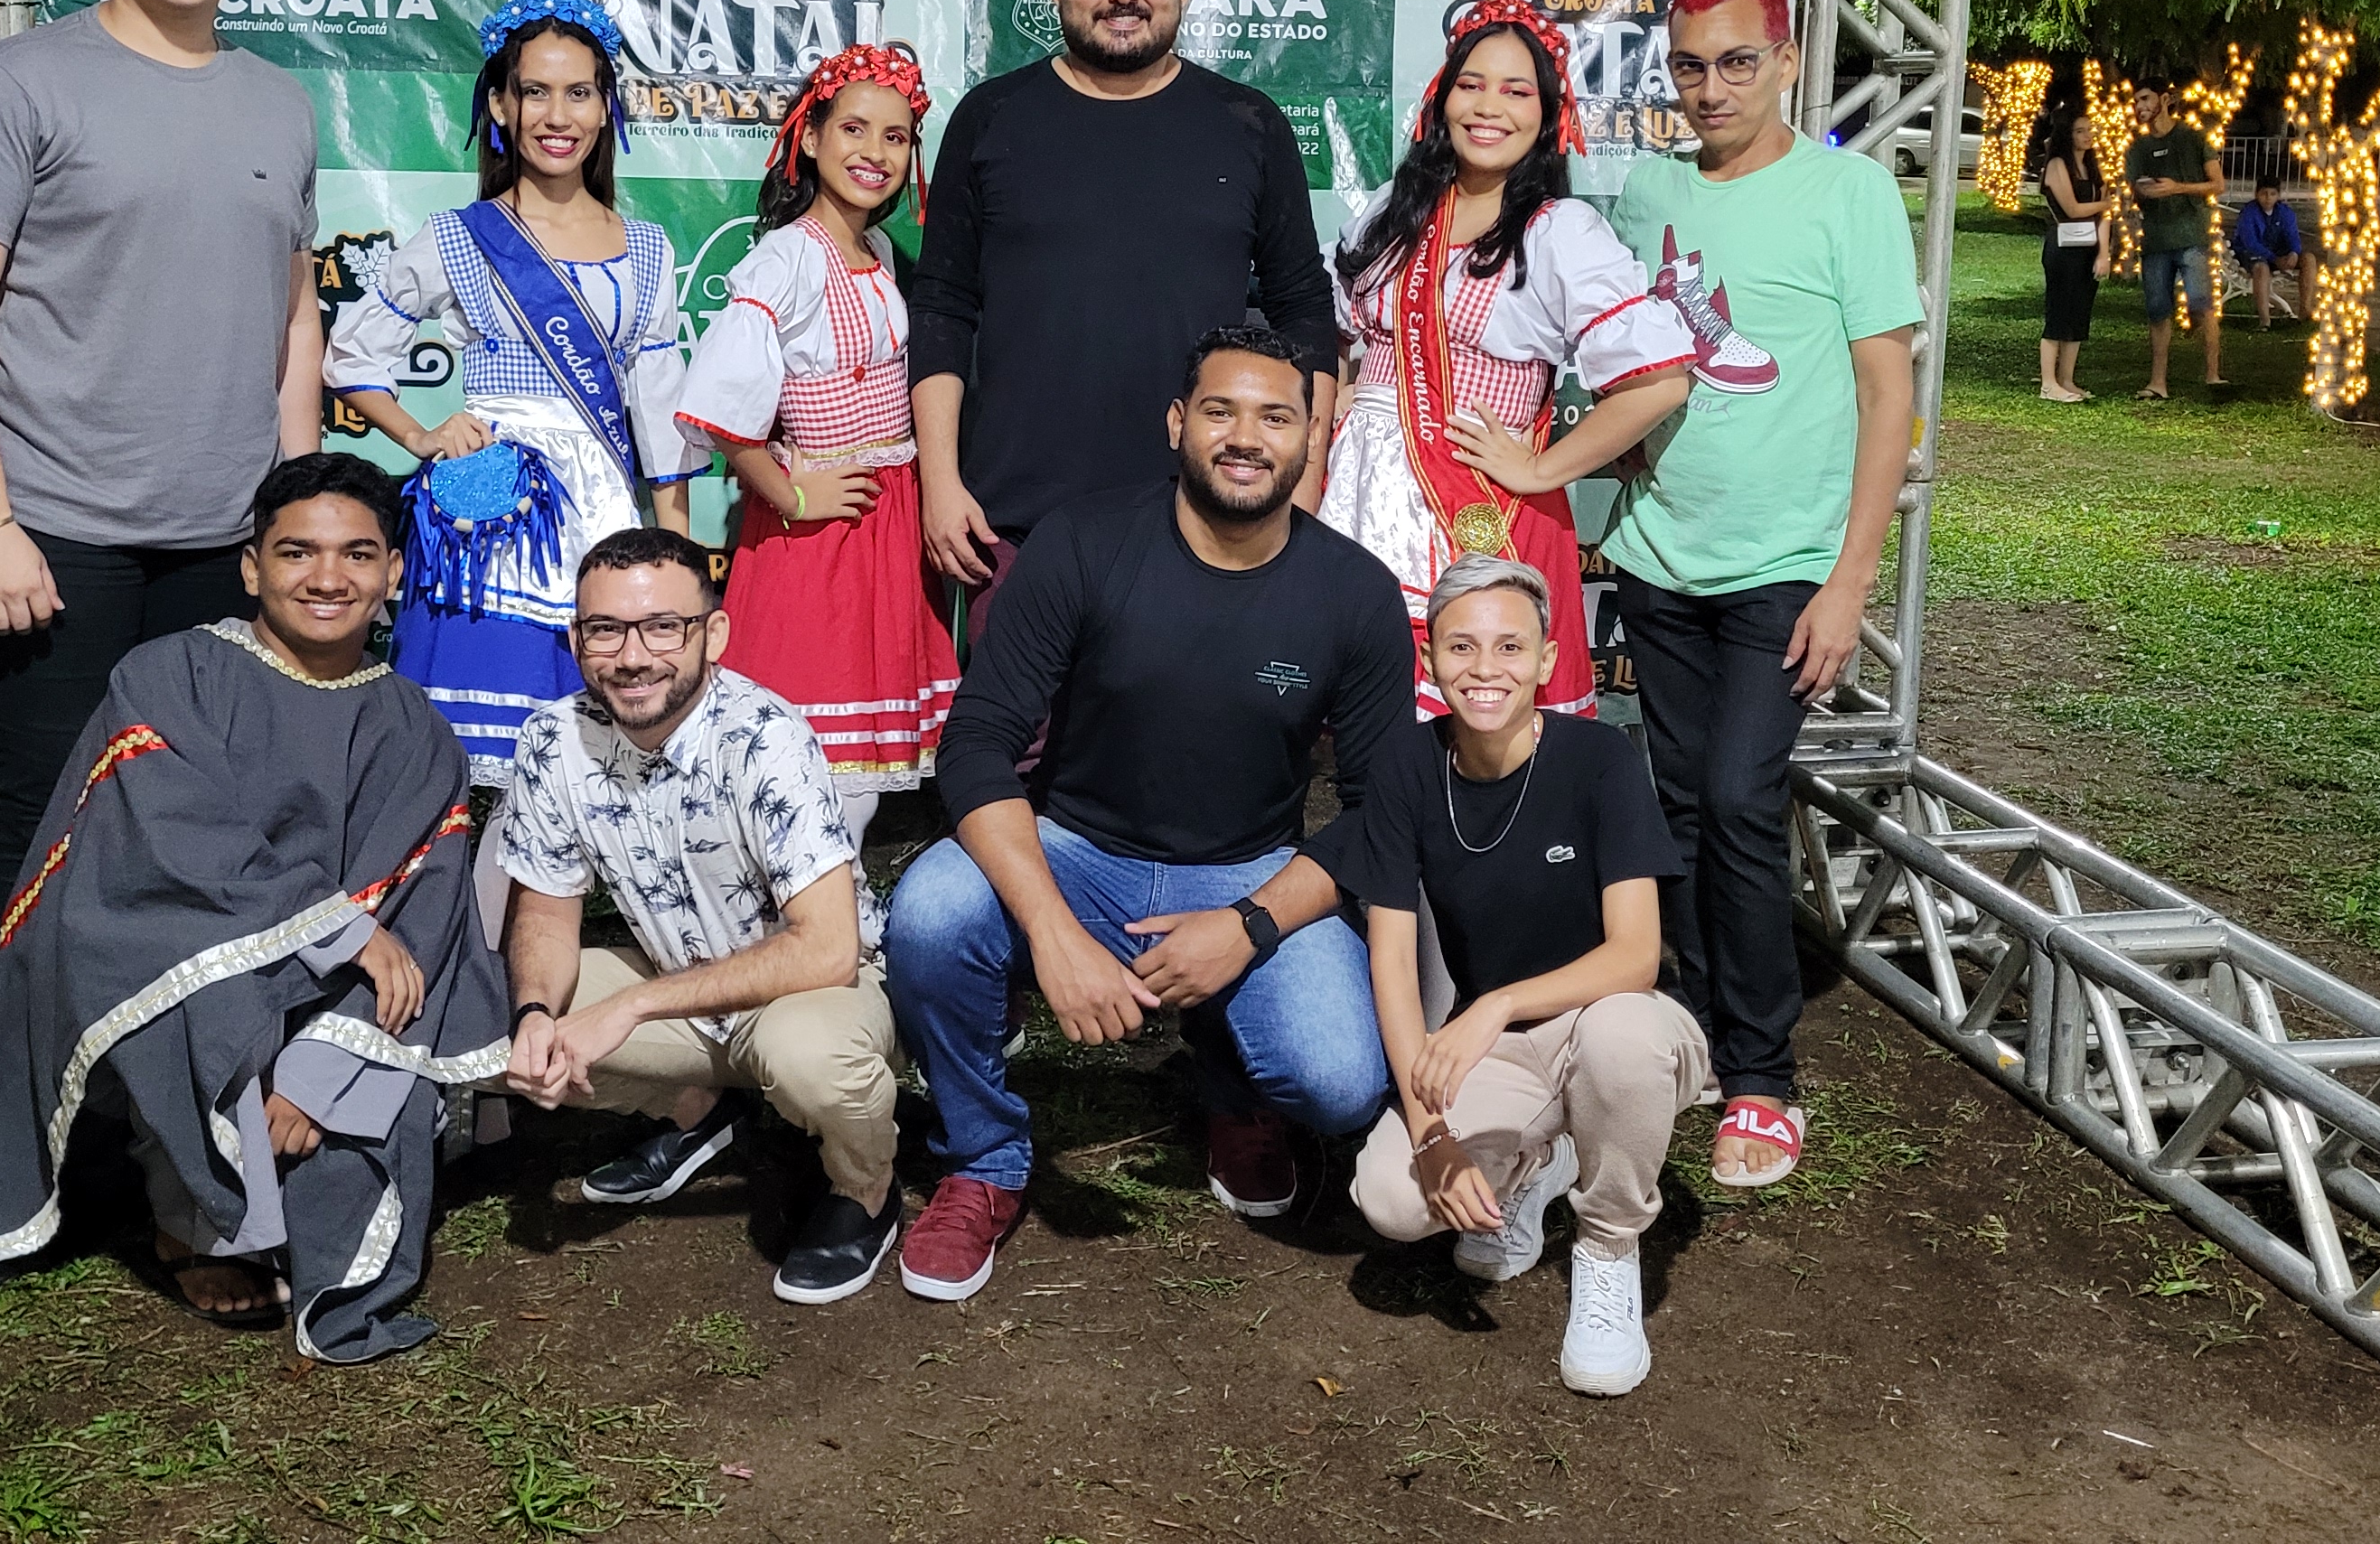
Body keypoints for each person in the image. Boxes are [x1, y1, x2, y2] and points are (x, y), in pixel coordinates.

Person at [0, 454, 509, 1364]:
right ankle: (194, 1226)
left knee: (379, 1029)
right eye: (297, 552)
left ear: (393, 573)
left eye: (358, 555)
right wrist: (335, 928)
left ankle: (289, 1195)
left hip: (327, 980)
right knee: (213, 996)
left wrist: (322, 1069)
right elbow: (171, 846)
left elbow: (424, 907)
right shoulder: (170, 674)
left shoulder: (416, 726)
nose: (328, 578)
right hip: (167, 938)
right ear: (251, 568)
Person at [884, 326, 1405, 1300]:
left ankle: (1233, 1088)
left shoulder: (1356, 594)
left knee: (1338, 1082)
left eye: (1275, 417)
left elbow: (1380, 815)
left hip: (1248, 865)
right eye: (1219, 411)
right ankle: (983, 1158)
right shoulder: (1083, 543)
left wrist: (1248, 928)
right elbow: (976, 745)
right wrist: (1054, 935)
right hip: (1077, 850)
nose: (1245, 437)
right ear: (1176, 424)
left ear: (1311, 436)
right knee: (928, 915)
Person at [0, 0, 326, 973]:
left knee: (197, 815)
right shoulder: (13, 86)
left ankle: (161, 1067)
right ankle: (14, 1074)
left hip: (223, 539)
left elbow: (296, 317)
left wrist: (294, 513)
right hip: (53, 535)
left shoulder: (279, 102)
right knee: (50, 814)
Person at [1603, 0, 1921, 1190]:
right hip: (1661, 556)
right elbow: (1628, 365)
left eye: (1738, 62)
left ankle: (1762, 1077)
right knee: (1680, 802)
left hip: (1787, 567)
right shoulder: (1649, 190)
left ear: (1787, 62)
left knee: (1741, 801)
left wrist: (1850, 582)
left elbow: (1888, 397)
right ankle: (1688, 1022)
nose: (1712, 88)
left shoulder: (1849, 192)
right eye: (1690, 66)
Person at [907, 0, 1342, 633]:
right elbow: (943, 305)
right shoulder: (991, 118)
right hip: (1015, 526)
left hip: (1207, 523)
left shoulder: (1249, 125)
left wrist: (1301, 484)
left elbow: (1303, 308)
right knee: (1017, 716)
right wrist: (940, 482)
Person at [489, 529, 905, 1305]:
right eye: (605, 629)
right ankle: (700, 1109)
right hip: (685, 990)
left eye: (662, 628)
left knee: (808, 1058)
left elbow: (828, 950)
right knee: (492, 1013)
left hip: (813, 991)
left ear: (713, 634)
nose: (632, 656)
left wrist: (630, 1007)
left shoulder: (765, 736)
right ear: (576, 640)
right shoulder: (553, 739)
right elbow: (544, 913)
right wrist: (538, 1011)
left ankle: (865, 1190)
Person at [1335, 558, 1706, 1398]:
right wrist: (1431, 1135)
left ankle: (1609, 1245)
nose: (1485, 668)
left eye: (1510, 646)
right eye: (1461, 646)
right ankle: (1541, 1164)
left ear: (1547, 660)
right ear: (1429, 659)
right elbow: (1390, 959)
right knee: (1394, 1200)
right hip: (1498, 1046)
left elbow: (1635, 956)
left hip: (1611, 1017)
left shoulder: (1600, 758)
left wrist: (1495, 1004)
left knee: (1622, 1036)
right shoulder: (1405, 765)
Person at [327, 0, 701, 783]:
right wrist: (422, 436)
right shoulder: (460, 237)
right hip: (491, 518)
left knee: (592, 764)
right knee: (469, 759)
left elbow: (661, 419)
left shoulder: (648, 249)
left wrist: (676, 556)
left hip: (603, 508)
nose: (557, 116)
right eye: (535, 91)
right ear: (500, 104)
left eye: (579, 92)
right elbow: (351, 357)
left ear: (606, 108)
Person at [1321, 0, 1694, 716]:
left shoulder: (1559, 232)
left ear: (1549, 115)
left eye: (1517, 91)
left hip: (1478, 500)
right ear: (1443, 97)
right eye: (1472, 84)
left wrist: (1540, 469)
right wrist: (1342, 401)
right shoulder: (1396, 208)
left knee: (1479, 716)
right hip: (1358, 495)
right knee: (1367, 721)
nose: (1489, 107)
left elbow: (1659, 382)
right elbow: (1337, 327)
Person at [674, 42, 958, 836]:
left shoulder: (879, 252)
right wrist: (794, 495)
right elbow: (723, 411)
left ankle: (835, 890)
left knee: (861, 754)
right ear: (810, 136)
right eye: (855, 129)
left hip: (886, 520)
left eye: (895, 137)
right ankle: (809, 893)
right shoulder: (787, 257)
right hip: (820, 533)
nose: (875, 153)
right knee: (812, 750)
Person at [2122, 75, 2225, 398]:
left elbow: (2217, 184)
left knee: (2202, 304)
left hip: (2192, 236)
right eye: (2136, 101)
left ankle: (2213, 376)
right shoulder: (2138, 147)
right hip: (2155, 239)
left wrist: (2177, 188)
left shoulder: (2193, 138)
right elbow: (2133, 187)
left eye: (2145, 99)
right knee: (2158, 310)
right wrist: (2143, 190)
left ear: (2165, 100)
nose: (2139, 106)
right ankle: (2157, 383)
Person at [2031, 99, 2104, 404]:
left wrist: (2104, 252)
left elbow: (2105, 215)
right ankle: (2048, 383)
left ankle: (2067, 379)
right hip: (2063, 246)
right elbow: (2072, 209)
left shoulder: (2093, 167)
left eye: (2089, 130)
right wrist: (2107, 204)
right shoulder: (2057, 166)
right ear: (2068, 135)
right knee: (2059, 313)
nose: (2088, 136)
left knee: (2079, 314)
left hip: (2088, 245)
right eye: (2080, 131)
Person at [2230, 173, 2307, 327]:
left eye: (2272, 194)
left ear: (2278, 195)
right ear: (2256, 194)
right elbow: (2251, 243)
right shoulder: (2249, 213)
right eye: (2264, 193)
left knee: (2308, 259)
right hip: (2252, 255)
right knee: (2261, 268)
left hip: (2277, 254)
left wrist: (2294, 252)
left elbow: (2293, 235)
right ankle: (2265, 321)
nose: (2268, 198)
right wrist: (2274, 259)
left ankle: (2305, 312)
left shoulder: (2285, 212)